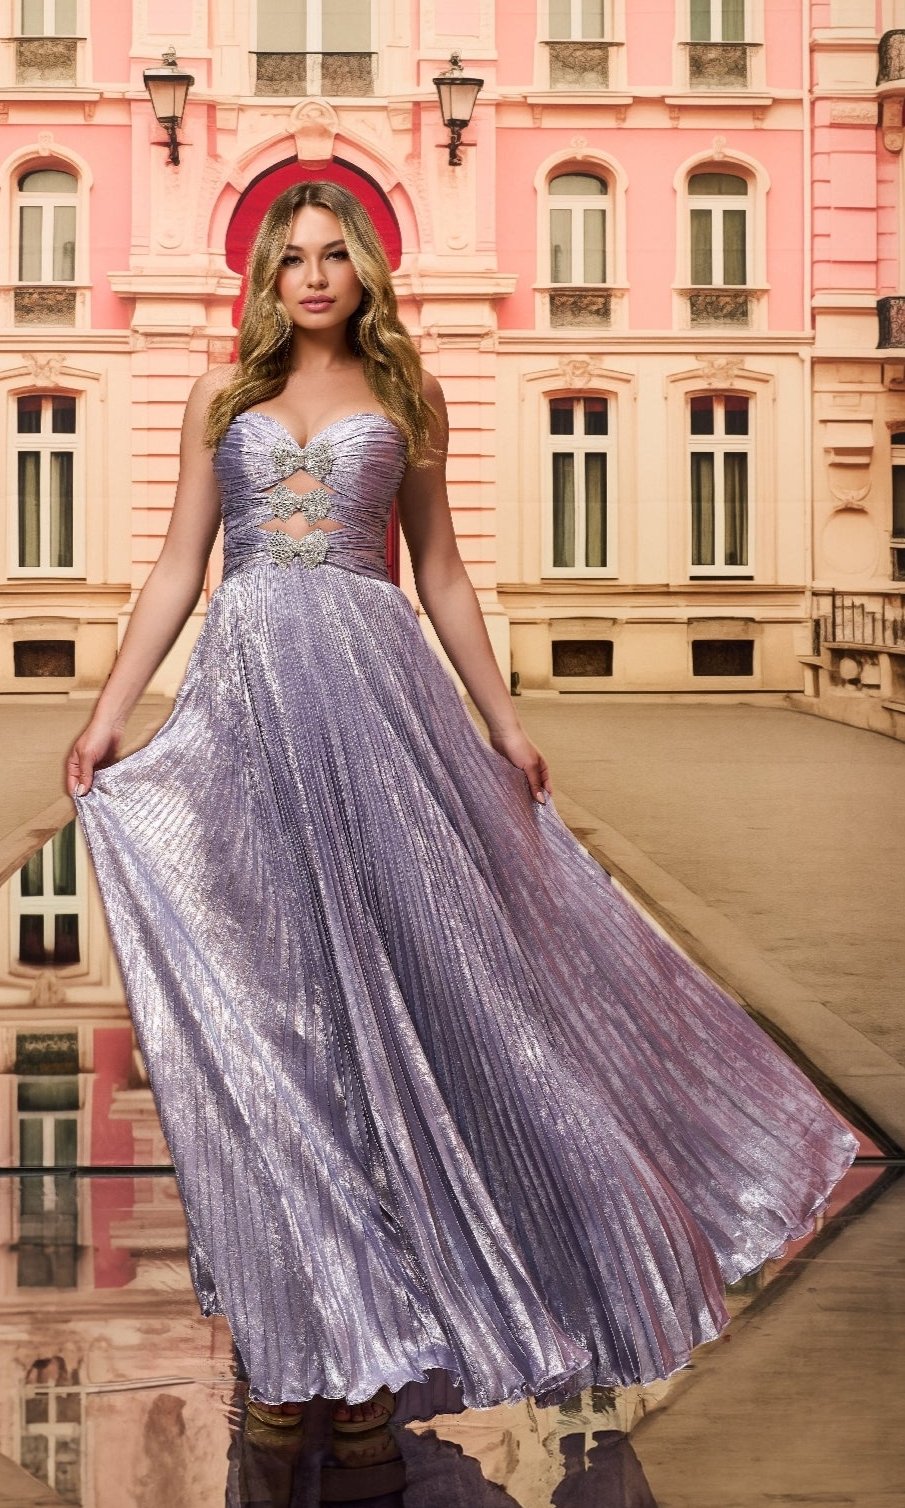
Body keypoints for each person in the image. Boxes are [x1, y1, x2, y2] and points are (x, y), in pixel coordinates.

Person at [65, 181, 857, 1432]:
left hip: (378, 697)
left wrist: (505, 722)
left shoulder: (406, 396)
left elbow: (437, 570)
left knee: (438, 963)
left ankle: (469, 1245)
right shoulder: (219, 402)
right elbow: (180, 562)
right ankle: (329, 1271)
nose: (314, 276)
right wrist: (111, 710)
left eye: (334, 256)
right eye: (292, 259)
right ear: (266, 279)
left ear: (364, 271)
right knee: (287, 982)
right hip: (251, 694)